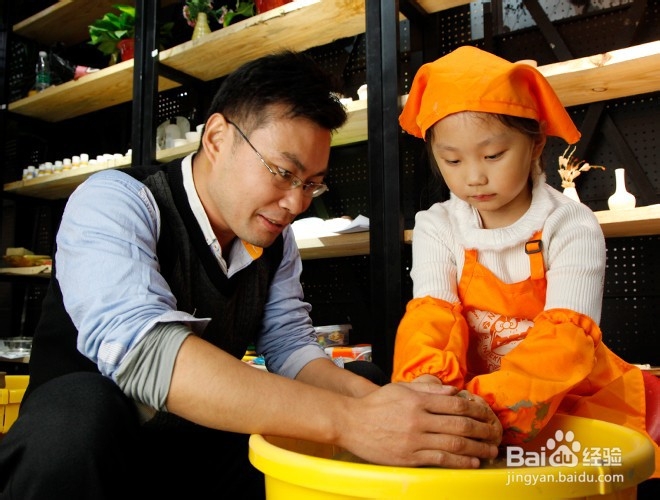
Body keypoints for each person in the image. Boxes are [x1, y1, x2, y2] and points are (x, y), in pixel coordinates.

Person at [0, 51, 502, 500]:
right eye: (283, 173)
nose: (296, 203)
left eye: (312, 185)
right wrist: (352, 420)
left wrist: (396, 411)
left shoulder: (273, 239)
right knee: (78, 413)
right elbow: (145, 355)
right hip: (95, 457)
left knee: (362, 381)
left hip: (190, 446)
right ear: (217, 138)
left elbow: (290, 349)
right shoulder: (117, 200)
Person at [392, 45, 659, 479]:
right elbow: (431, 321)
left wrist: (488, 407)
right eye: (452, 160)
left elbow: (566, 341)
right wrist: (428, 393)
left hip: (570, 404)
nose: (474, 177)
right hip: (470, 410)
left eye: (493, 155)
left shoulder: (570, 224)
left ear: (536, 144)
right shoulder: (436, 226)